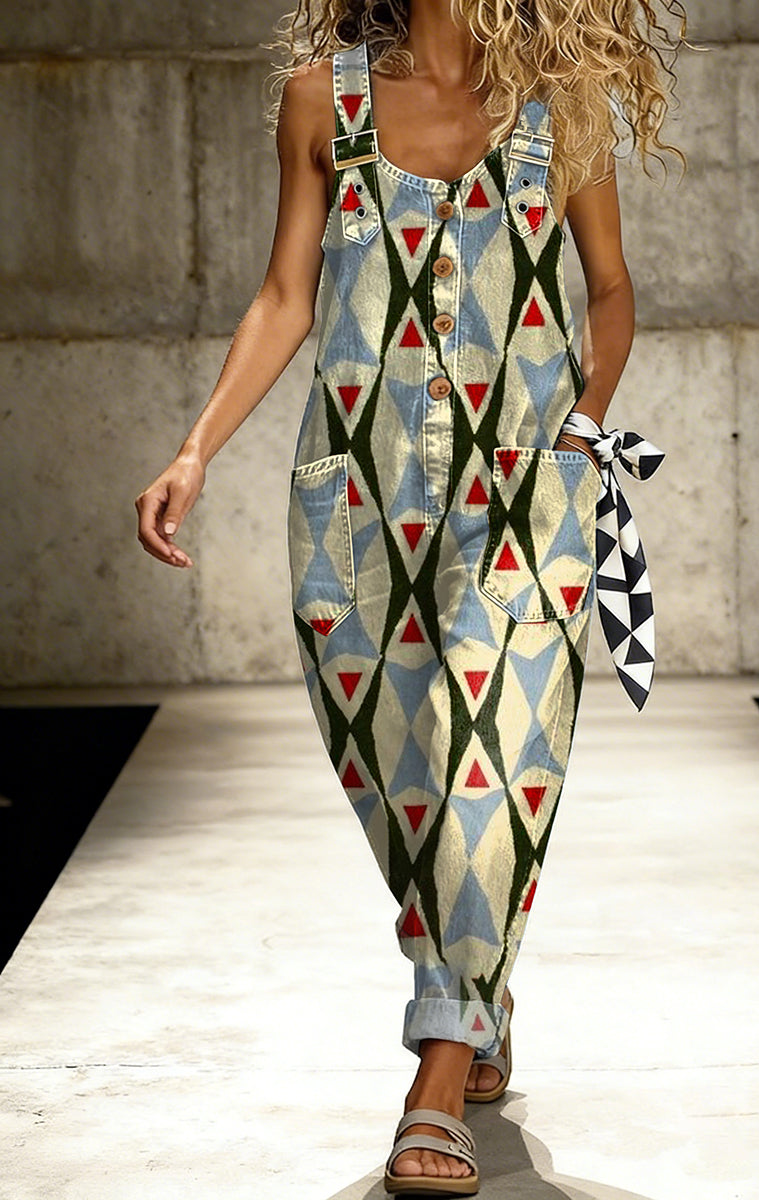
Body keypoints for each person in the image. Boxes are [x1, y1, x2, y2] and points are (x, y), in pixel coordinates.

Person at [135, 0, 685, 1192]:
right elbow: (284, 296)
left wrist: (582, 425)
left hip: (526, 498)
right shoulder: (321, 102)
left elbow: (610, 290)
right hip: (354, 499)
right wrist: (195, 451)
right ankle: (478, 989)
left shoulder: (560, 99)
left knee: (499, 758)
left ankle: (436, 1075)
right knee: (403, 783)